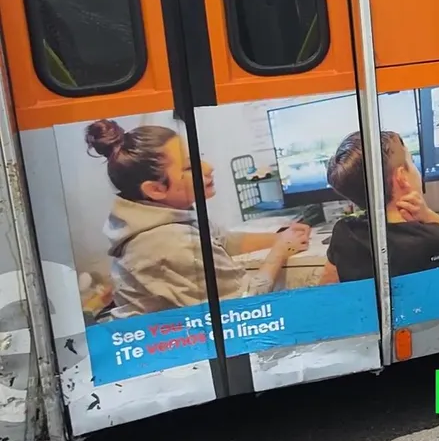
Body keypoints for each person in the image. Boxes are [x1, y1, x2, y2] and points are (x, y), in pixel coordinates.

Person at [85, 119, 310, 318]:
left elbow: (222, 240)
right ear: (155, 189)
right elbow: (244, 307)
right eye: (189, 167)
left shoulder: (163, 213)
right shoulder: (167, 241)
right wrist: (280, 251)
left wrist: (279, 238)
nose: (208, 168)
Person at [322, 130, 439, 283]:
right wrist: (428, 215)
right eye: (412, 162)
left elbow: (326, 289)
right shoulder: (433, 237)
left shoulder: (343, 232)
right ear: (402, 176)